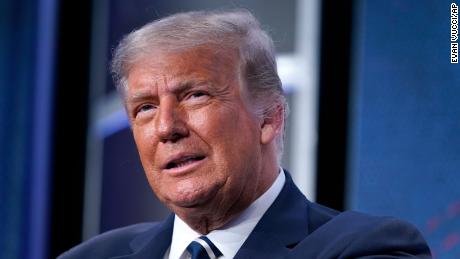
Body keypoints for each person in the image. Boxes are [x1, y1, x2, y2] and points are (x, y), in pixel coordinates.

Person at [59, 9, 431, 259]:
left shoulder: (365, 248)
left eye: (195, 95)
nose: (166, 128)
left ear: (269, 117)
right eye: (145, 108)